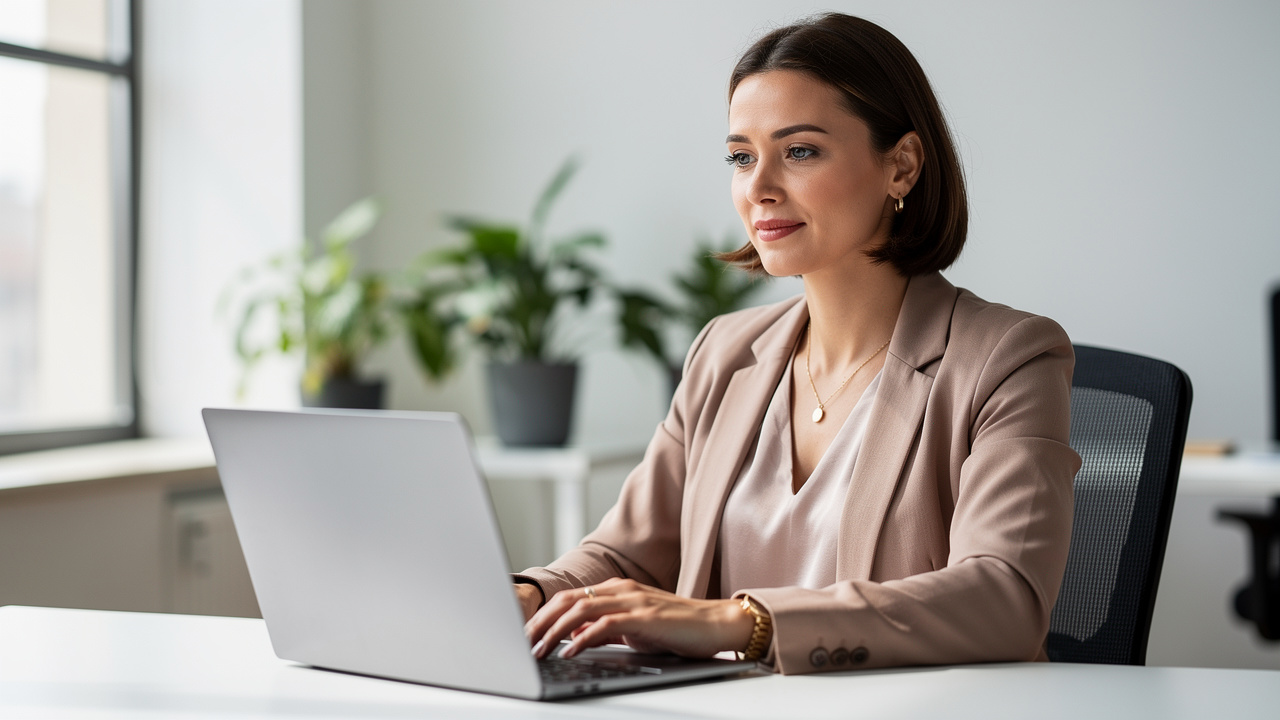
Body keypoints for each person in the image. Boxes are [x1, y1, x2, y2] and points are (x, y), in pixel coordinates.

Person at [514, 12, 1081, 674]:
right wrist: (528, 595)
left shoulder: (1008, 358)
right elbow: (626, 556)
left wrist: (745, 622)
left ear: (901, 167)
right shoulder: (724, 353)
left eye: (800, 151)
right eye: (741, 156)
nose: (758, 188)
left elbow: (1003, 599)